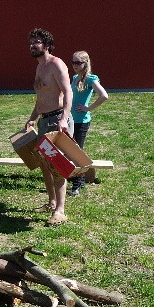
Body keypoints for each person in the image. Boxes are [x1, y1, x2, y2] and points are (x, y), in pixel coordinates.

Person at [25, 28, 74, 226]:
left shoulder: (56, 64)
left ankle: (60, 210)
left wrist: (64, 119)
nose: (33, 45)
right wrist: (32, 118)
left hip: (57, 121)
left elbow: (68, 92)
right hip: (44, 120)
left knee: (57, 165)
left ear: (46, 45)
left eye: (37, 42)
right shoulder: (39, 67)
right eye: (31, 42)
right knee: (45, 163)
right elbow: (41, 98)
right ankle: (52, 202)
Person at [69, 50, 109, 197]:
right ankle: (78, 179)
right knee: (70, 150)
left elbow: (104, 96)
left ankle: (77, 184)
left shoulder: (91, 79)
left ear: (86, 63)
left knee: (77, 152)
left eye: (78, 63)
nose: (75, 65)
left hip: (82, 121)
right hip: (71, 120)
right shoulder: (74, 78)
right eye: (73, 62)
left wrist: (88, 108)